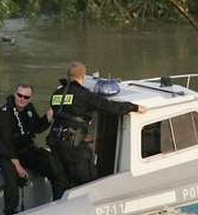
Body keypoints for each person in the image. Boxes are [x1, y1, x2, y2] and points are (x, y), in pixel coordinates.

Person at [47, 62, 144, 197]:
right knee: (89, 182)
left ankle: (59, 210)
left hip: (55, 144)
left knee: (61, 181)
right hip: (73, 146)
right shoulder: (84, 95)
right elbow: (109, 107)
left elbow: (65, 114)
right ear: (83, 77)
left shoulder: (56, 94)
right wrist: (133, 107)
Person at [0, 83, 68, 215]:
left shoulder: (29, 109)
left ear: (30, 98)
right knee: (11, 179)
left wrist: (50, 113)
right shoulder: (2, 114)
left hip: (26, 150)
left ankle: (58, 204)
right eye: (19, 95)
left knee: (54, 166)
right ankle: (10, 213)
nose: (22, 99)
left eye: (26, 97)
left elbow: (37, 127)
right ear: (15, 94)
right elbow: (4, 143)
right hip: (8, 154)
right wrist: (18, 166)